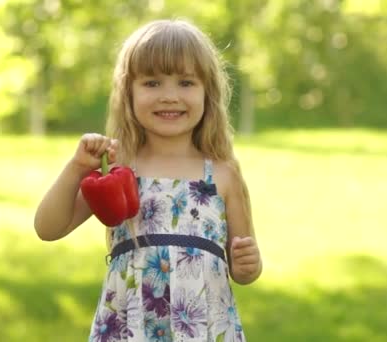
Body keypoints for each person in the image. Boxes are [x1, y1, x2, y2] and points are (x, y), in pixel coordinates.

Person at [34, 18, 262, 341]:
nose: (169, 96)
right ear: (128, 92)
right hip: (129, 328)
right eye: (152, 83)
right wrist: (76, 168)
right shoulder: (117, 169)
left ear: (207, 91)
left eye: (185, 83)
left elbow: (243, 267)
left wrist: (247, 265)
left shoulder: (223, 174)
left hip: (203, 329)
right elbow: (48, 227)